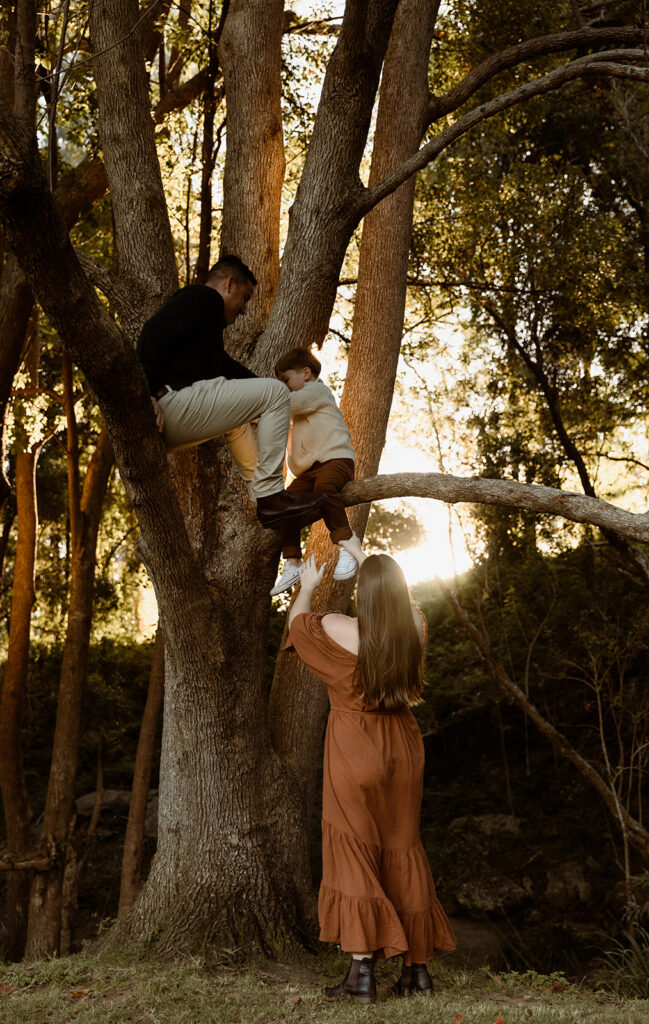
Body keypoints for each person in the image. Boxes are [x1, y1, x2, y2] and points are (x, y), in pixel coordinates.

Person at [285, 553, 456, 1003]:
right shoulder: (411, 631)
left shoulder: (341, 628)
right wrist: (369, 560)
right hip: (403, 747)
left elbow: (298, 627)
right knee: (404, 848)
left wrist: (307, 585)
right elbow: (412, 610)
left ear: (364, 592)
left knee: (353, 849)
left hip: (354, 747)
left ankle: (361, 974)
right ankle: (417, 972)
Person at [136, 255, 326, 529]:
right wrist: (145, 395)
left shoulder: (203, 339)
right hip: (166, 407)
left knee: (242, 419)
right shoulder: (204, 298)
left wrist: (283, 407)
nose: (245, 310)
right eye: (245, 298)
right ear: (229, 284)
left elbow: (231, 373)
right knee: (274, 393)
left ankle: (263, 499)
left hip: (173, 417)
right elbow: (152, 332)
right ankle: (272, 498)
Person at [269, 347, 365, 595]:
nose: (285, 387)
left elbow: (282, 404)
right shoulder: (297, 411)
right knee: (284, 503)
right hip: (310, 472)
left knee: (325, 489)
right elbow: (293, 456)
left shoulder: (317, 391)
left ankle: (347, 543)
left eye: (286, 380)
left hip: (336, 460)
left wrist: (261, 402)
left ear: (306, 373)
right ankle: (293, 562)